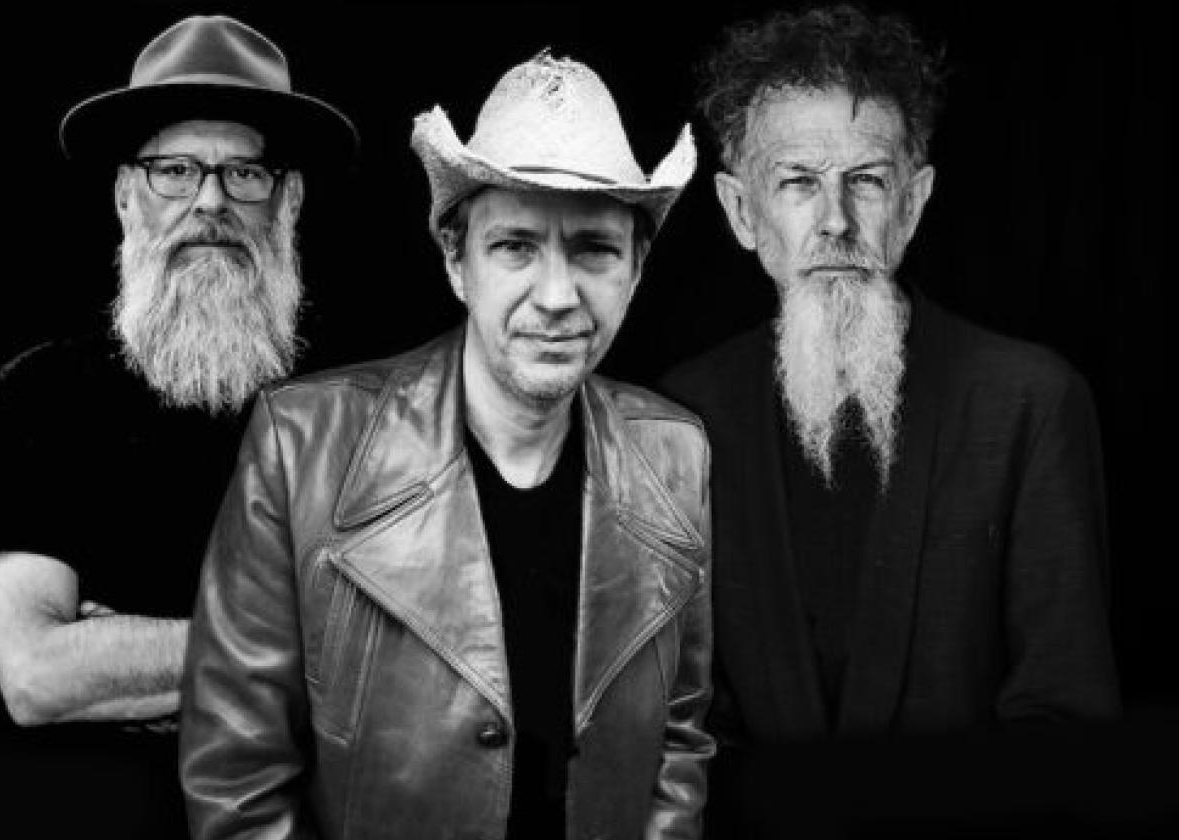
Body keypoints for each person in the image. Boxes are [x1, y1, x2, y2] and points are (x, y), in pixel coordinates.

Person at [179, 52, 713, 839]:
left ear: (636, 269)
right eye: (517, 246)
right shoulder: (302, 445)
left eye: (595, 249)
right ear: (455, 260)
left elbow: (679, 740)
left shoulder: (677, 452)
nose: (558, 296)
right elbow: (236, 780)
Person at [661, 4, 1121, 750]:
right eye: (799, 183)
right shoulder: (681, 417)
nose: (836, 220)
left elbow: (1065, 718)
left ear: (912, 205)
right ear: (742, 212)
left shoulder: (1030, 403)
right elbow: (676, 730)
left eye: (868, 181)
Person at [0, 15, 356, 837]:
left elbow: (401, 667)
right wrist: (290, 650)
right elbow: (35, 674)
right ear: (124, 195)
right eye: (175, 170)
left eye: (244, 173)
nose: (210, 201)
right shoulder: (46, 393)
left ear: (288, 200)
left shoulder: (353, 400)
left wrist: (128, 654)